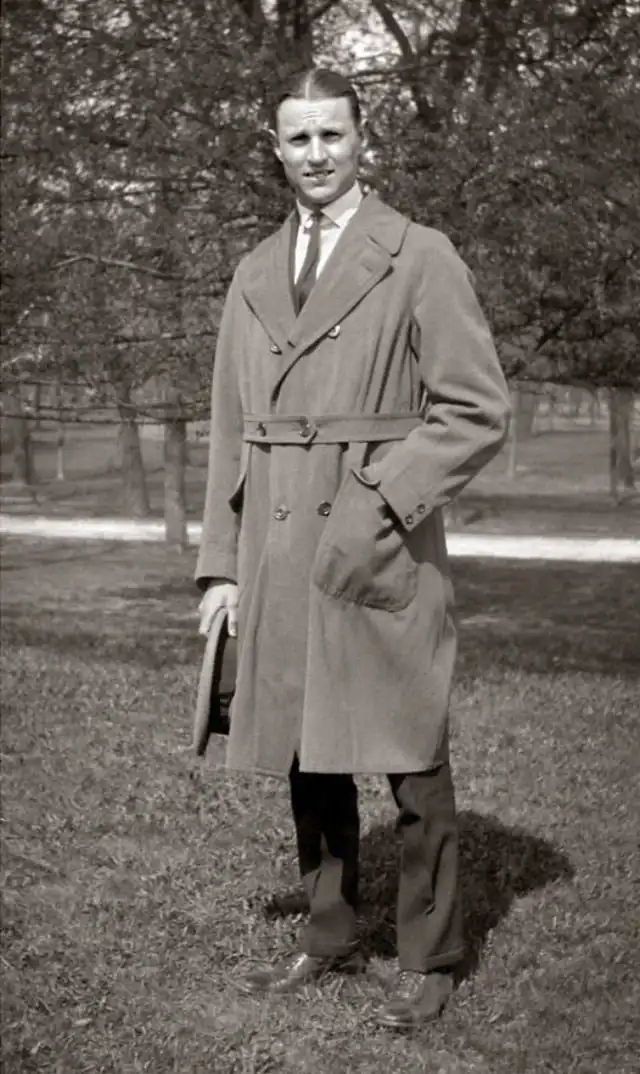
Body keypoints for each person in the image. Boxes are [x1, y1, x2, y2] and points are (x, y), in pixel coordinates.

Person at [196, 67, 511, 1029]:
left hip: (379, 541)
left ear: (362, 137)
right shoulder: (254, 271)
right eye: (298, 138)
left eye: (332, 134)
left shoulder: (419, 254)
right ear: (276, 148)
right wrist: (221, 567)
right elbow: (228, 432)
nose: (316, 154)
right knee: (310, 755)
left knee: (412, 753)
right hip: (278, 550)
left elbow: (475, 409)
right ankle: (328, 932)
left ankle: (430, 956)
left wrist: (381, 496)